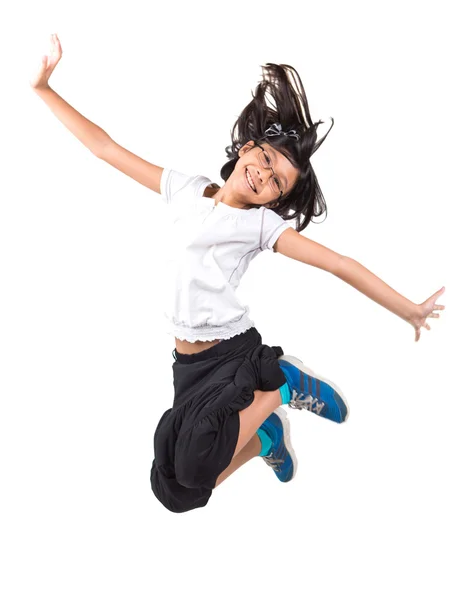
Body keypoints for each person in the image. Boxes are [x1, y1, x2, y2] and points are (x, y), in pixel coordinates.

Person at [30, 33, 446, 514]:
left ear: (275, 201)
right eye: (266, 160)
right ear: (248, 147)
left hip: (232, 354)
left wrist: (409, 310)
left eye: (277, 184)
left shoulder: (260, 225)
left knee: (196, 466)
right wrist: (44, 88)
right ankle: (265, 438)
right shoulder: (185, 188)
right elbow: (104, 147)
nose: (264, 177)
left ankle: (284, 383)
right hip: (189, 365)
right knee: (176, 490)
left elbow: (339, 264)